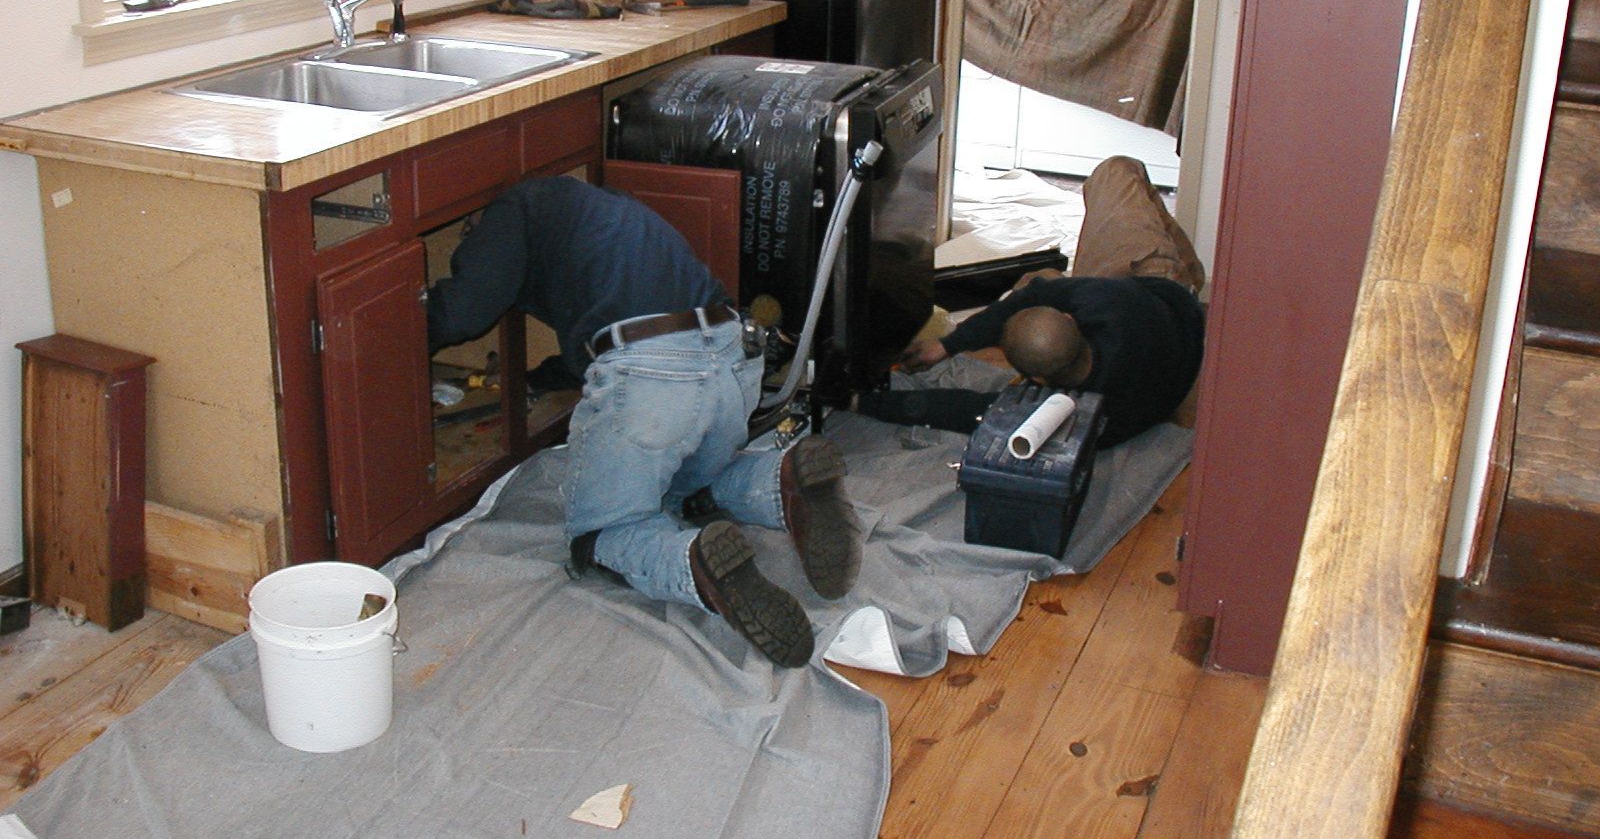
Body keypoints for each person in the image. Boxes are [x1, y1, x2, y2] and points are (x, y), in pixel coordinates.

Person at [426, 177, 863, 668]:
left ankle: (695, 565)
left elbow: (463, 309)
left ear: (476, 225)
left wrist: (394, 343)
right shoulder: (600, 207)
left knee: (602, 530)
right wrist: (538, 378)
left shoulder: (511, 207)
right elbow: (598, 334)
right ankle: (780, 480)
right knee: (679, 485)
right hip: (730, 357)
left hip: (654, 374)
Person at [857, 156, 1207, 448]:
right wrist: (950, 345)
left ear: (1035, 380)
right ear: (1071, 319)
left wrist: (863, 400)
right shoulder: (1106, 302)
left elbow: (964, 410)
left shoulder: (1078, 417)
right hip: (1167, 296)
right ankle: (1191, 273)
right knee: (1118, 170)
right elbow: (1041, 294)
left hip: (1160, 341)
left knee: (1038, 281)